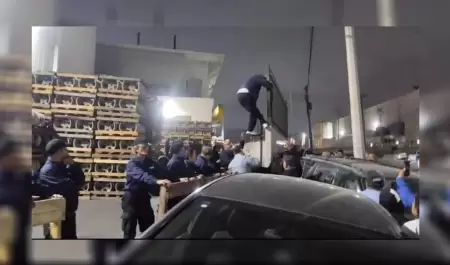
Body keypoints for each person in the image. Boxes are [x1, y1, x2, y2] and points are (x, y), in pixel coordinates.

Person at [122, 139, 171, 239]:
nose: (146, 149)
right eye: (142, 147)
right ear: (136, 149)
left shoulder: (150, 162)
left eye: (147, 147)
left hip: (144, 197)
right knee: (129, 228)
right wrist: (156, 181)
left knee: (148, 226)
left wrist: (179, 179)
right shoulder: (132, 164)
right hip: (131, 198)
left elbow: (164, 172)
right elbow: (142, 175)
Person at [38, 139, 85, 239]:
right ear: (59, 151)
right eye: (65, 149)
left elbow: (81, 182)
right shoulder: (47, 171)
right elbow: (69, 188)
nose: (67, 151)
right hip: (55, 218)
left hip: (68, 216)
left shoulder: (65, 165)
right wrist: (73, 182)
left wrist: (73, 166)